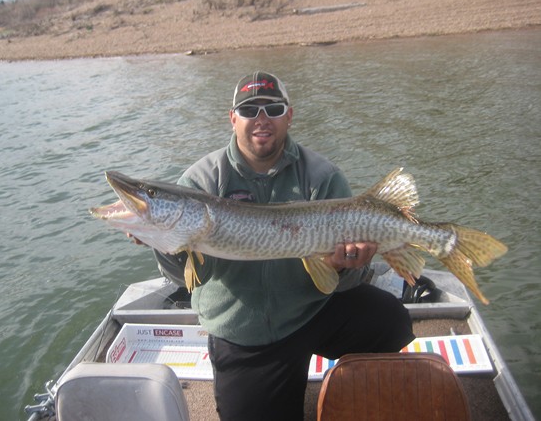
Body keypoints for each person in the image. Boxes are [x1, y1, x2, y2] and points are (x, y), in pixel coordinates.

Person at [150, 71, 415, 421]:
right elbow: (188, 278)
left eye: (273, 109)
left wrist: (342, 265)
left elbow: (345, 281)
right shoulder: (202, 182)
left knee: (391, 320)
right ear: (233, 119)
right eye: (249, 110)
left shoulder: (322, 176)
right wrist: (162, 241)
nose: (261, 119)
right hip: (245, 331)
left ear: (289, 116)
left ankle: (353, 391)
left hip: (311, 310)